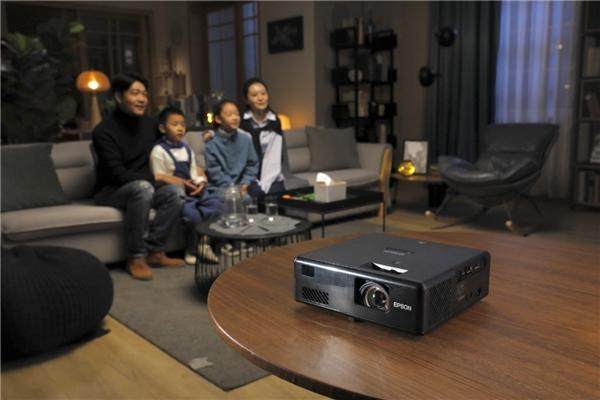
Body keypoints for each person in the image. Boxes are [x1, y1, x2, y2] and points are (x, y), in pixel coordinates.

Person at [92, 73, 185, 281]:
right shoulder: (103, 131)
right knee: (143, 188)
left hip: (144, 186)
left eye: (144, 94)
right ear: (119, 97)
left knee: (175, 193)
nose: (142, 99)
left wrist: (210, 135)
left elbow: (173, 141)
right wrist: (158, 178)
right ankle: (135, 257)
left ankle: (155, 252)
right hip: (111, 190)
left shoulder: (151, 124)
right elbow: (118, 174)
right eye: (135, 93)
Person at [149, 107, 220, 265]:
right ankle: (192, 249)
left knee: (215, 204)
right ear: (162, 128)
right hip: (176, 192)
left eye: (182, 124)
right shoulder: (158, 151)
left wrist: (200, 182)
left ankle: (208, 244)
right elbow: (159, 177)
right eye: (175, 124)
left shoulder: (187, 149)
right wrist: (182, 184)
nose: (180, 128)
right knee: (191, 215)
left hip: (192, 189)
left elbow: (194, 171)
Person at [239, 77, 306, 199]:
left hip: (272, 174)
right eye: (254, 95)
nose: (260, 98)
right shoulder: (241, 121)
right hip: (249, 175)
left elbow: (277, 155)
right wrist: (211, 133)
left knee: (278, 195)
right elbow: (226, 134)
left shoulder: (275, 121)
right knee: (256, 193)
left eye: (263, 94)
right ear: (246, 100)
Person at [204, 100, 259, 197]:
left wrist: (245, 183)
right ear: (218, 119)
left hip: (244, 185)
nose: (235, 118)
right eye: (229, 115)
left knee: (258, 194)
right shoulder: (211, 143)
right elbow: (215, 173)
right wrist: (233, 188)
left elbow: (252, 165)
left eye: (237, 114)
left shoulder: (246, 139)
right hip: (220, 187)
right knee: (233, 198)